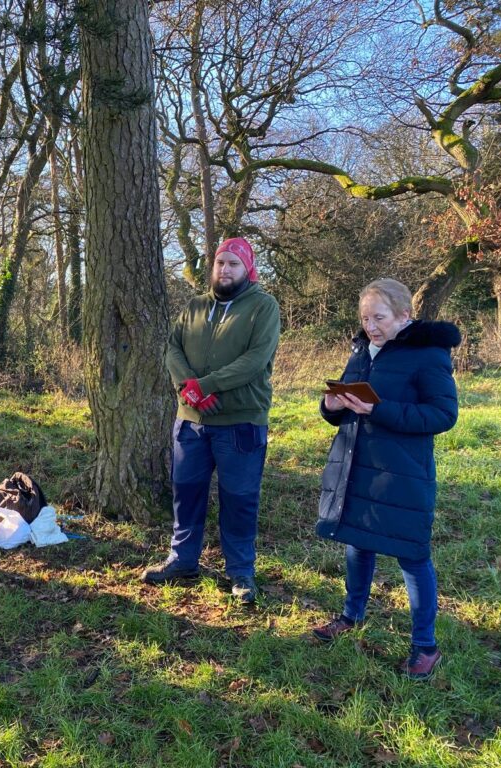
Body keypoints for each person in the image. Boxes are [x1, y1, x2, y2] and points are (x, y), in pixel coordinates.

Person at [311, 278, 460, 681]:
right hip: (358, 466)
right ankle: (350, 615)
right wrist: (331, 404)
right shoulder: (361, 350)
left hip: (402, 474)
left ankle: (425, 646)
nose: (371, 325)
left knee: (413, 556)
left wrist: (379, 410)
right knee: (358, 544)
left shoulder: (428, 354)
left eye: (379, 317)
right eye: (365, 317)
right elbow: (346, 407)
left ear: (404, 316)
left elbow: (443, 415)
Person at [142, 237, 280, 603]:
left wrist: (205, 385)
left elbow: (255, 361)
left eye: (233, 263)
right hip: (190, 423)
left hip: (241, 423)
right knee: (186, 494)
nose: (225, 269)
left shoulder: (263, 307)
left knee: (239, 498)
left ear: (246, 268)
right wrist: (186, 388)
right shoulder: (194, 306)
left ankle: (241, 572)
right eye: (220, 263)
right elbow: (172, 347)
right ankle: (182, 559)